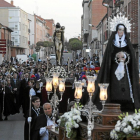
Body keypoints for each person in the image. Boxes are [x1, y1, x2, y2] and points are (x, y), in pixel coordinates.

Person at [93, 14, 140, 111]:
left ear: (125, 31)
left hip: (125, 71)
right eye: (119, 30)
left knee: (126, 88)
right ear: (116, 30)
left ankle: (127, 105)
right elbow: (108, 58)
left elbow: (131, 59)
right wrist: (116, 57)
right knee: (115, 87)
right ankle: (112, 102)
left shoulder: (127, 44)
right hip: (114, 70)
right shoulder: (112, 44)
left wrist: (125, 56)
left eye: (122, 30)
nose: (121, 32)